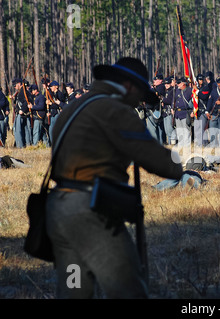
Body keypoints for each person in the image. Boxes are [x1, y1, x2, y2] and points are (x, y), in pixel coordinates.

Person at [46, 57, 184, 299]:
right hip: (90, 213)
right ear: (129, 86)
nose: (140, 101)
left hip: (60, 212)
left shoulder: (74, 108)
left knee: (74, 290)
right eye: (140, 93)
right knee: (128, 288)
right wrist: (178, 161)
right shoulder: (115, 111)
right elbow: (160, 162)